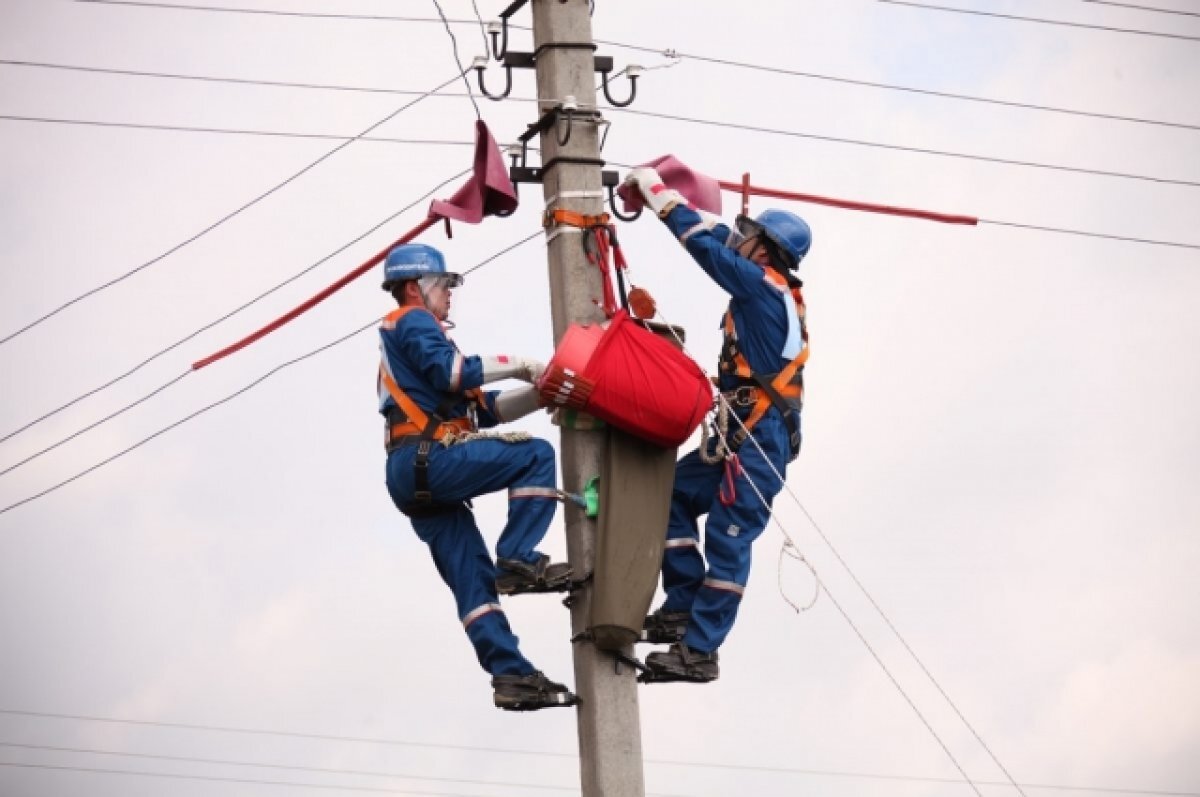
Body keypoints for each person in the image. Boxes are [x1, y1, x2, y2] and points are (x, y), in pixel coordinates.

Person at [624, 167, 812, 684]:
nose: (740, 242)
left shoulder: (760, 289)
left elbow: (709, 248)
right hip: (743, 432)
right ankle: (683, 604)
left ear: (765, 251)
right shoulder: (769, 290)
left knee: (729, 540)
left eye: (748, 239)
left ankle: (701, 650)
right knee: (672, 497)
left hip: (759, 439)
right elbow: (723, 236)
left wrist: (658, 195)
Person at [377, 242, 576, 711]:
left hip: (411, 472)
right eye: (444, 284)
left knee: (473, 582)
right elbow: (454, 375)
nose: (450, 294)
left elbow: (482, 411)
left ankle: (511, 675)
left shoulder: (408, 343)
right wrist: (527, 364)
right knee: (536, 455)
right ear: (413, 287)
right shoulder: (413, 321)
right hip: (427, 458)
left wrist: (539, 393)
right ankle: (519, 556)